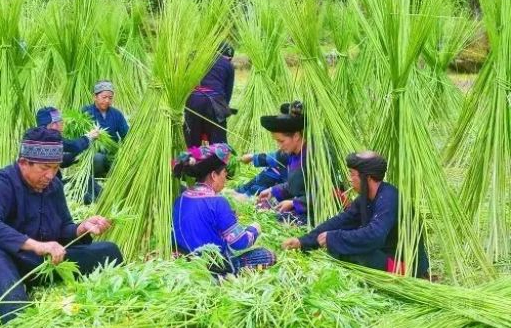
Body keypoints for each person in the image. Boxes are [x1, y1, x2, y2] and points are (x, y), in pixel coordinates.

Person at [0, 127, 124, 323]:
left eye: (55, 168)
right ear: (24, 163)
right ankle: (20, 323)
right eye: (44, 168)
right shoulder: (2, 183)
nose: (51, 176)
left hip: (44, 262)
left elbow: (62, 229)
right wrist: (37, 245)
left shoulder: (54, 186)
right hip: (9, 261)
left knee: (109, 251)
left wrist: (81, 228)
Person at [282, 151, 430, 277]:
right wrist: (303, 241)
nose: (349, 179)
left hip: (404, 263)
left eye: (352, 174)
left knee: (353, 251)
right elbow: (342, 221)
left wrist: (335, 238)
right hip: (385, 252)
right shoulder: (366, 198)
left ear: (368, 177)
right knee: (339, 248)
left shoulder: (389, 199)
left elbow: (375, 236)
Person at [172, 143, 276, 274]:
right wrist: (255, 228)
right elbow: (240, 243)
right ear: (214, 176)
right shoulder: (218, 202)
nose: (225, 180)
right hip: (209, 266)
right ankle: (225, 275)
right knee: (266, 256)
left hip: (182, 260)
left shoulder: (180, 198)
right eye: (224, 174)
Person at [256, 101, 309, 225]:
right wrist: (273, 191)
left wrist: (293, 203)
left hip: (316, 210)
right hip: (301, 203)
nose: (279, 147)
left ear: (296, 136)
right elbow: (295, 185)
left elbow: (327, 195)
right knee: (263, 207)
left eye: (281, 141)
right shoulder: (293, 154)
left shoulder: (313, 157)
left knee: (279, 218)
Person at [36, 106, 101, 203]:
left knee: (87, 180)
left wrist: (75, 158)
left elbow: (59, 160)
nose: (63, 124)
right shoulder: (50, 137)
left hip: (47, 188)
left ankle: (102, 198)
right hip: (50, 190)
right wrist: (89, 137)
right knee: (86, 190)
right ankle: (101, 201)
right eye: (60, 121)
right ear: (53, 124)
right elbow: (74, 146)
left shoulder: (36, 138)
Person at [184, 41, 235, 147]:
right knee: (219, 146)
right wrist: (223, 111)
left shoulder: (199, 59)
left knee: (192, 142)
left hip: (194, 100)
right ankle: (217, 162)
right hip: (216, 102)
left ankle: (192, 161)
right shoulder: (229, 66)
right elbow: (227, 94)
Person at [81, 80, 128, 176]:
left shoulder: (116, 114)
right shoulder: (86, 112)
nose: (107, 101)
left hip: (112, 153)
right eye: (104, 97)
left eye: (110, 98)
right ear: (95, 97)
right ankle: (97, 178)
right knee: (98, 158)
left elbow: (126, 135)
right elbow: (80, 136)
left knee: (121, 161)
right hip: (93, 154)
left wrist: (124, 150)